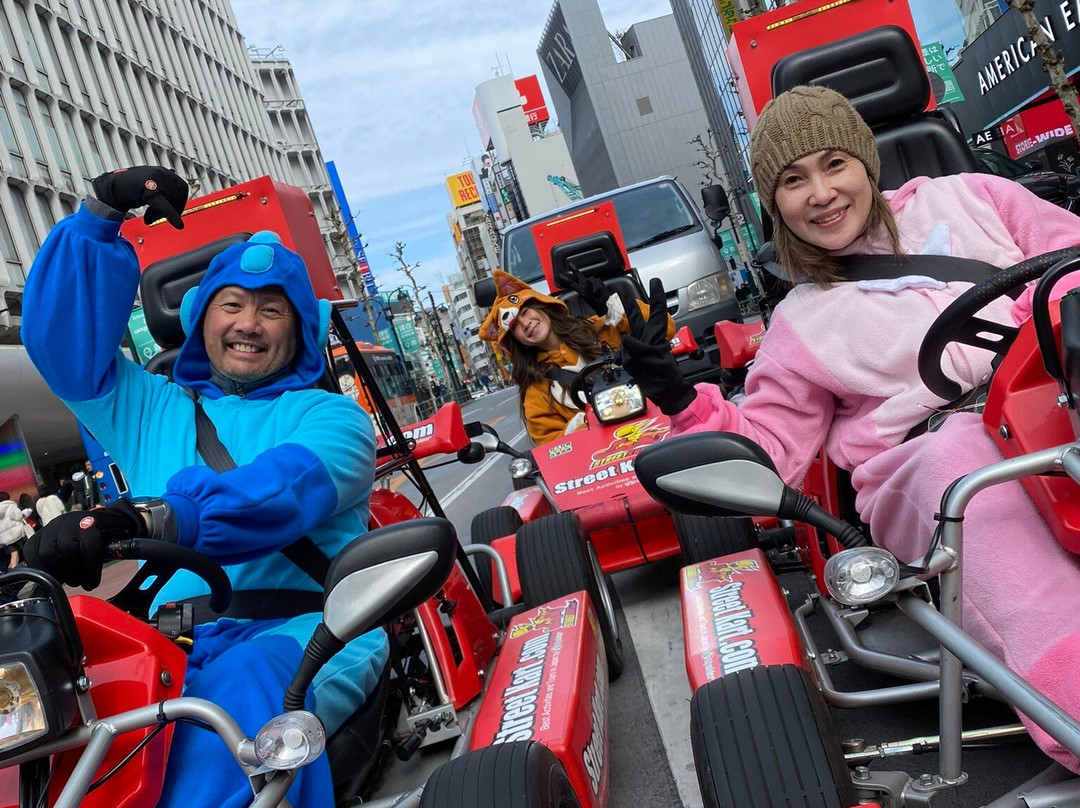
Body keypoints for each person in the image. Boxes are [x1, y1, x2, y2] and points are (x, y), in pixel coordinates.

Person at [621, 85, 1080, 771]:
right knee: (967, 476)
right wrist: (675, 392)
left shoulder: (975, 197)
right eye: (793, 180)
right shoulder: (798, 324)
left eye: (834, 164)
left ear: (866, 163)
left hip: (1052, 394)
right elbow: (766, 452)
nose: (821, 193)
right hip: (934, 460)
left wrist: (1038, 323)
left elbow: (1071, 254)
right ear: (774, 205)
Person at [21, 166, 386, 808]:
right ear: (204, 320)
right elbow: (61, 350)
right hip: (163, 644)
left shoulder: (334, 418)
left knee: (243, 690)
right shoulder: (151, 405)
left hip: (304, 634)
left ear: (298, 328)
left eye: (272, 309)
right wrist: (98, 221)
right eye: (233, 304)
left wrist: (154, 520)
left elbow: (283, 488)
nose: (249, 323)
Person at [480, 268, 675, 445]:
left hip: (657, 431)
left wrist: (613, 308)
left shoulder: (594, 330)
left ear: (541, 305)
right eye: (515, 327)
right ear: (516, 341)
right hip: (603, 459)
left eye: (525, 311)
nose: (525, 323)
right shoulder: (535, 387)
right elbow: (551, 447)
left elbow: (666, 331)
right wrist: (585, 424)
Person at [0, 491, 32, 568]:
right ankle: (32, 568)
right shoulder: (10, 505)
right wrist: (27, 511)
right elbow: (18, 516)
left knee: (14, 555)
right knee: (26, 551)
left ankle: (14, 573)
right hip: (17, 534)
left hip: (6, 538)